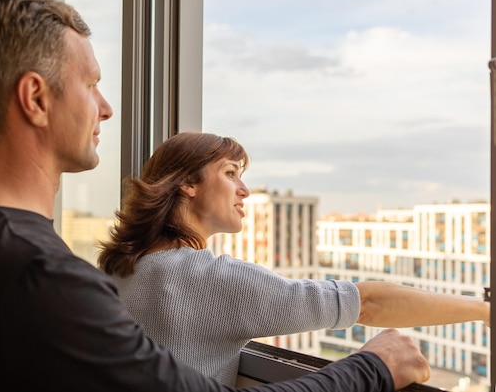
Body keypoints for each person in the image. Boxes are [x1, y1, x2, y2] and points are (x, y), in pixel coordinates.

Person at [0, 0, 429, 392]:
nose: (106, 107)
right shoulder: (44, 282)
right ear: (35, 98)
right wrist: (373, 367)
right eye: (92, 83)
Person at [98, 131, 488, 387]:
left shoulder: (119, 269)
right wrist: (482, 310)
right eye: (231, 173)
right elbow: (367, 301)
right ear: (188, 183)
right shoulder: (207, 278)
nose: (244, 189)